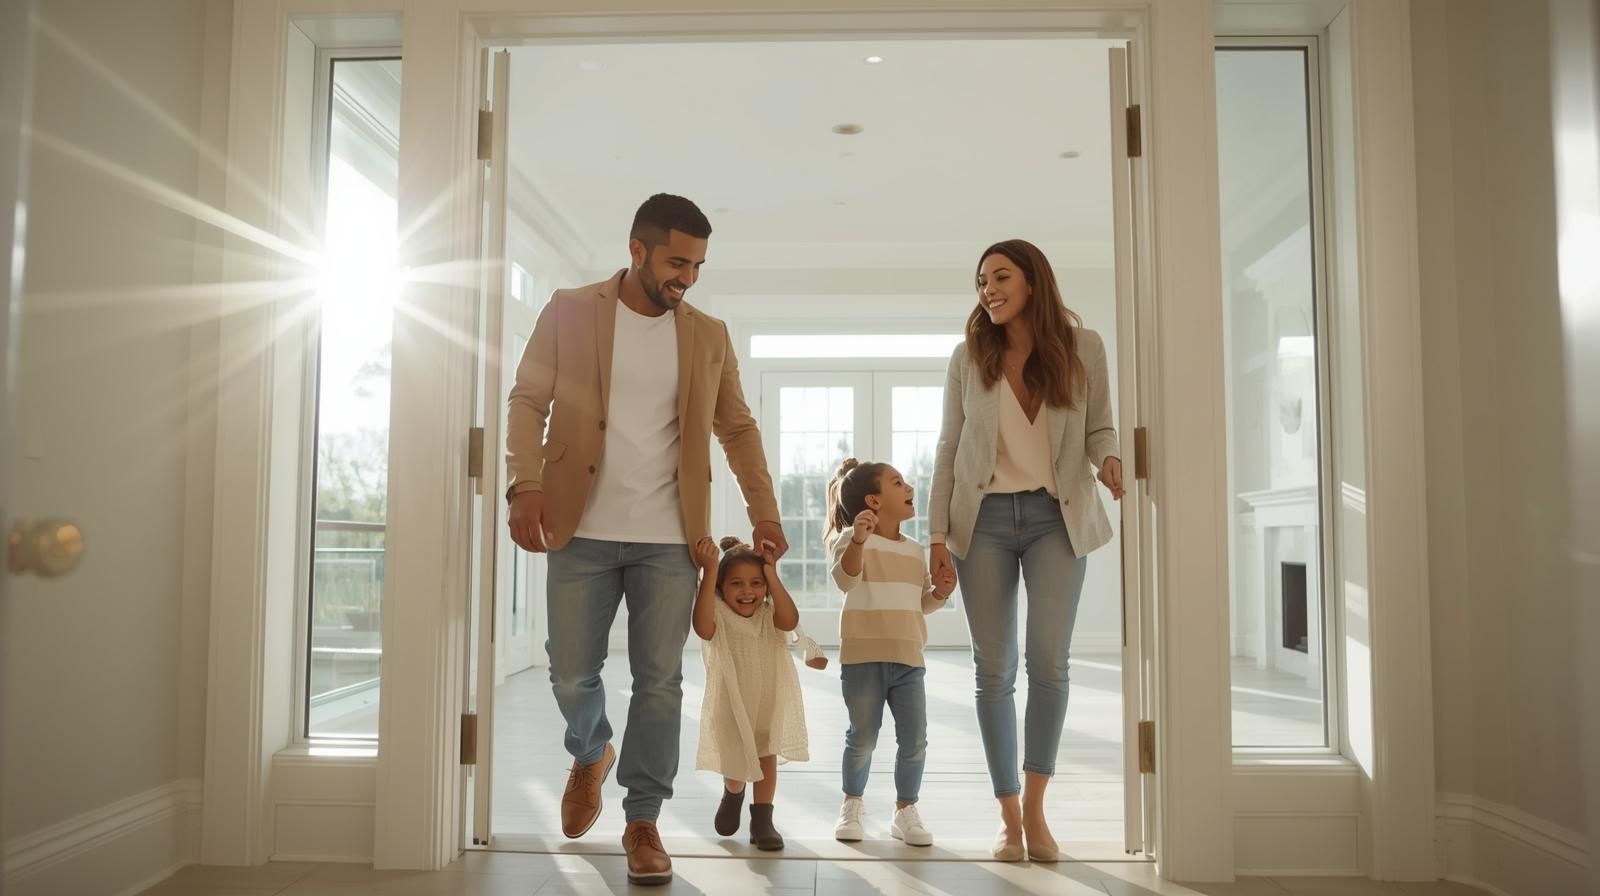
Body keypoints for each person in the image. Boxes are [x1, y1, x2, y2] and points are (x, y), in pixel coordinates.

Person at [504, 194, 786, 886]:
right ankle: (591, 748)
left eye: (696, 265)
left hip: (669, 538)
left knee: (659, 682)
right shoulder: (571, 309)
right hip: (580, 526)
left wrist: (765, 511)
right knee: (571, 671)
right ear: (637, 249)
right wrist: (524, 483)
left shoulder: (708, 335)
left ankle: (642, 819)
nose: (686, 277)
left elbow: (738, 427)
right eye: (676, 262)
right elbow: (526, 400)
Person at [927, 238, 1124, 863]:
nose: (987, 289)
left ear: (1033, 282)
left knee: (1049, 662)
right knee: (993, 669)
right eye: (981, 281)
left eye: (1000, 277)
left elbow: (1099, 427)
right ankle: (1008, 816)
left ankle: (1037, 812)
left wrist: (1111, 458)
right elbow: (947, 448)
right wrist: (935, 534)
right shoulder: (968, 357)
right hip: (981, 520)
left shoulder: (1082, 347)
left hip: (1055, 518)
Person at [825, 458, 957, 848]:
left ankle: (905, 810)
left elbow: (921, 603)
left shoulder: (916, 551)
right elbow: (845, 579)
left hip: (909, 659)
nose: (908, 487)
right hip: (863, 659)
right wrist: (860, 541)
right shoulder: (851, 538)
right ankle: (852, 804)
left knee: (915, 739)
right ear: (874, 500)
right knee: (862, 737)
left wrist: (942, 593)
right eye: (897, 482)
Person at [690, 536, 809, 850]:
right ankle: (733, 791)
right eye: (737, 584)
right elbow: (701, 628)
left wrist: (772, 574)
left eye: (756, 583)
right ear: (721, 587)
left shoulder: (769, 614)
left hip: (767, 702)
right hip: (730, 703)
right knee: (736, 759)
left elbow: (791, 619)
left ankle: (763, 819)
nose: (747, 592)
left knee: (765, 754)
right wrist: (710, 571)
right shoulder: (718, 614)